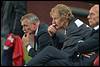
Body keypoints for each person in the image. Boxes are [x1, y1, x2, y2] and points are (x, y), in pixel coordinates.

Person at [25, 4, 93, 66]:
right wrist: (53, 36)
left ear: (65, 17)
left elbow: (66, 53)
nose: (53, 22)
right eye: (52, 19)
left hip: (81, 62)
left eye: (55, 18)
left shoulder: (74, 28)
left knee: (49, 50)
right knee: (47, 62)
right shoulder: (72, 25)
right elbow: (61, 52)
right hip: (76, 59)